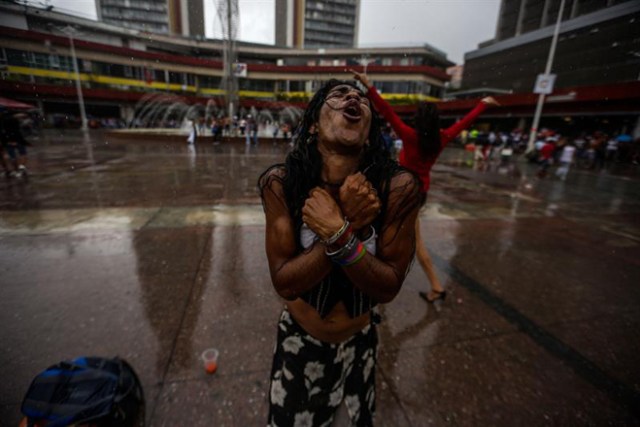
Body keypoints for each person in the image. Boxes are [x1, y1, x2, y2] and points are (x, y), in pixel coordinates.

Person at [258, 79, 422, 426]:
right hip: (299, 342)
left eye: (361, 98)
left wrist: (338, 231)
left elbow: (388, 286)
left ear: (368, 133)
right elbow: (285, 282)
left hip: (359, 342)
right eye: (339, 94)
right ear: (314, 123)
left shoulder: (397, 187)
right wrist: (347, 226)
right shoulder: (282, 184)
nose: (353, 97)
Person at [353, 70, 498, 303]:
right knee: (387, 231)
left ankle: (432, 285)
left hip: (401, 193)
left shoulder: (410, 135)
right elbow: (464, 124)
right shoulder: (442, 138)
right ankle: (388, 278)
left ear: (419, 120)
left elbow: (386, 110)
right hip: (420, 194)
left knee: (413, 241)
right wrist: (483, 105)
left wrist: (367, 84)